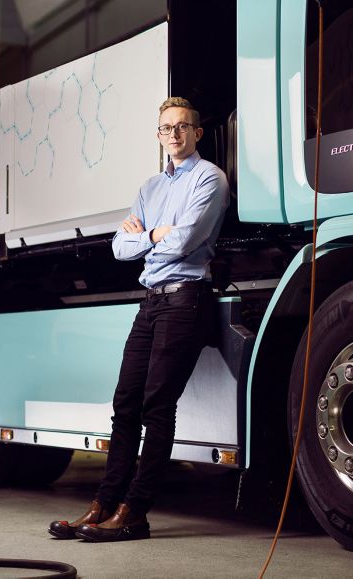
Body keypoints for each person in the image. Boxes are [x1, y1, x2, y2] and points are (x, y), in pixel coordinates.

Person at [48, 97, 229, 542]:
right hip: (150, 302)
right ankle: (104, 503)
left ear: (197, 133)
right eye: (167, 127)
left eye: (184, 126)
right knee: (124, 404)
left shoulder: (211, 179)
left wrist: (148, 239)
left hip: (185, 299)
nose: (175, 134)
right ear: (158, 134)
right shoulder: (150, 187)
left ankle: (135, 512)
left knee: (156, 407)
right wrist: (153, 235)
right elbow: (118, 248)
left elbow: (187, 241)